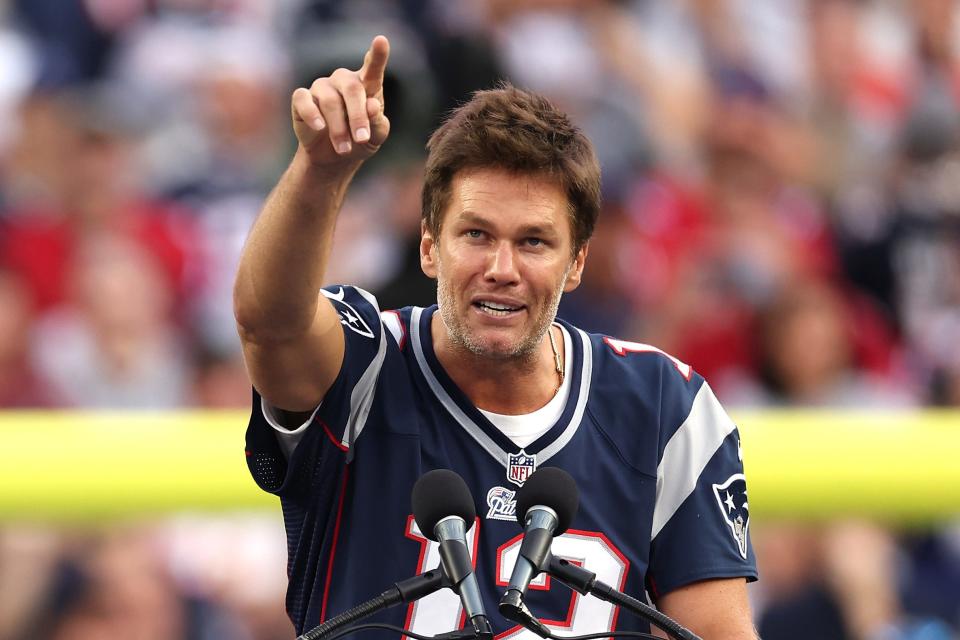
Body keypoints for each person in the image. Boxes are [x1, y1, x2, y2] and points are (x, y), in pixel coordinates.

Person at [234, 35, 758, 639]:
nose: (502, 268)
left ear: (577, 262)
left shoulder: (666, 406)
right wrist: (321, 172)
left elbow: (717, 632)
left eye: (533, 241)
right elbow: (270, 325)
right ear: (430, 246)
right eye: (476, 234)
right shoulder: (366, 362)